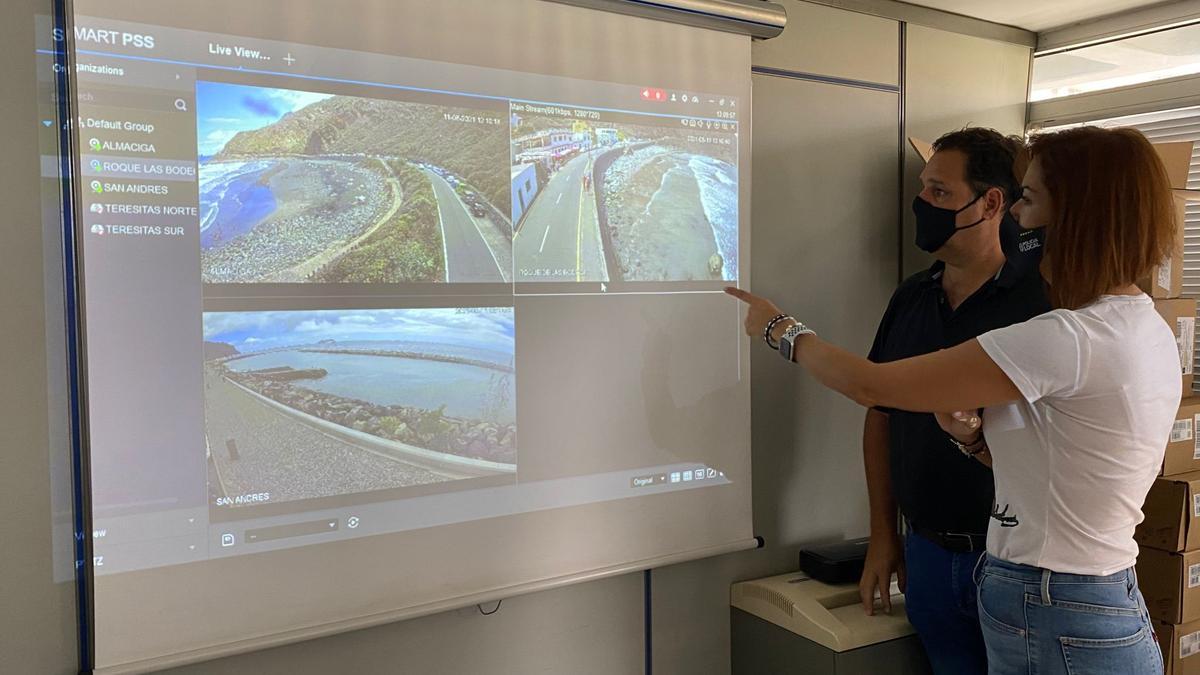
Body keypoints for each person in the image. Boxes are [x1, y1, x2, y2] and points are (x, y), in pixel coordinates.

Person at [728, 125, 1179, 675]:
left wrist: (780, 329)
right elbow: (1064, 467)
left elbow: (873, 386)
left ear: (1079, 214)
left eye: (1030, 200)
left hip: (1055, 601)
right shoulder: (1140, 326)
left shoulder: (1070, 337)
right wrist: (970, 439)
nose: (1017, 217)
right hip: (1075, 591)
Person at [858, 128, 1050, 675]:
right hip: (928, 555)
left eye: (940, 193)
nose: (923, 204)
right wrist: (881, 536)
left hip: (1015, 562)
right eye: (925, 190)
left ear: (991, 203)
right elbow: (879, 413)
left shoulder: (1041, 301)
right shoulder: (912, 296)